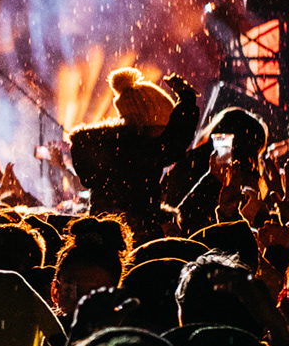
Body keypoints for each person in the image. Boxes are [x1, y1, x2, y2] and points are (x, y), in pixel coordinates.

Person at [67, 68, 198, 233]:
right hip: (136, 234)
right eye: (163, 126)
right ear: (147, 120)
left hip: (103, 233)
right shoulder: (139, 151)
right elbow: (175, 141)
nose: (164, 131)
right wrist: (186, 98)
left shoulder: (105, 146)